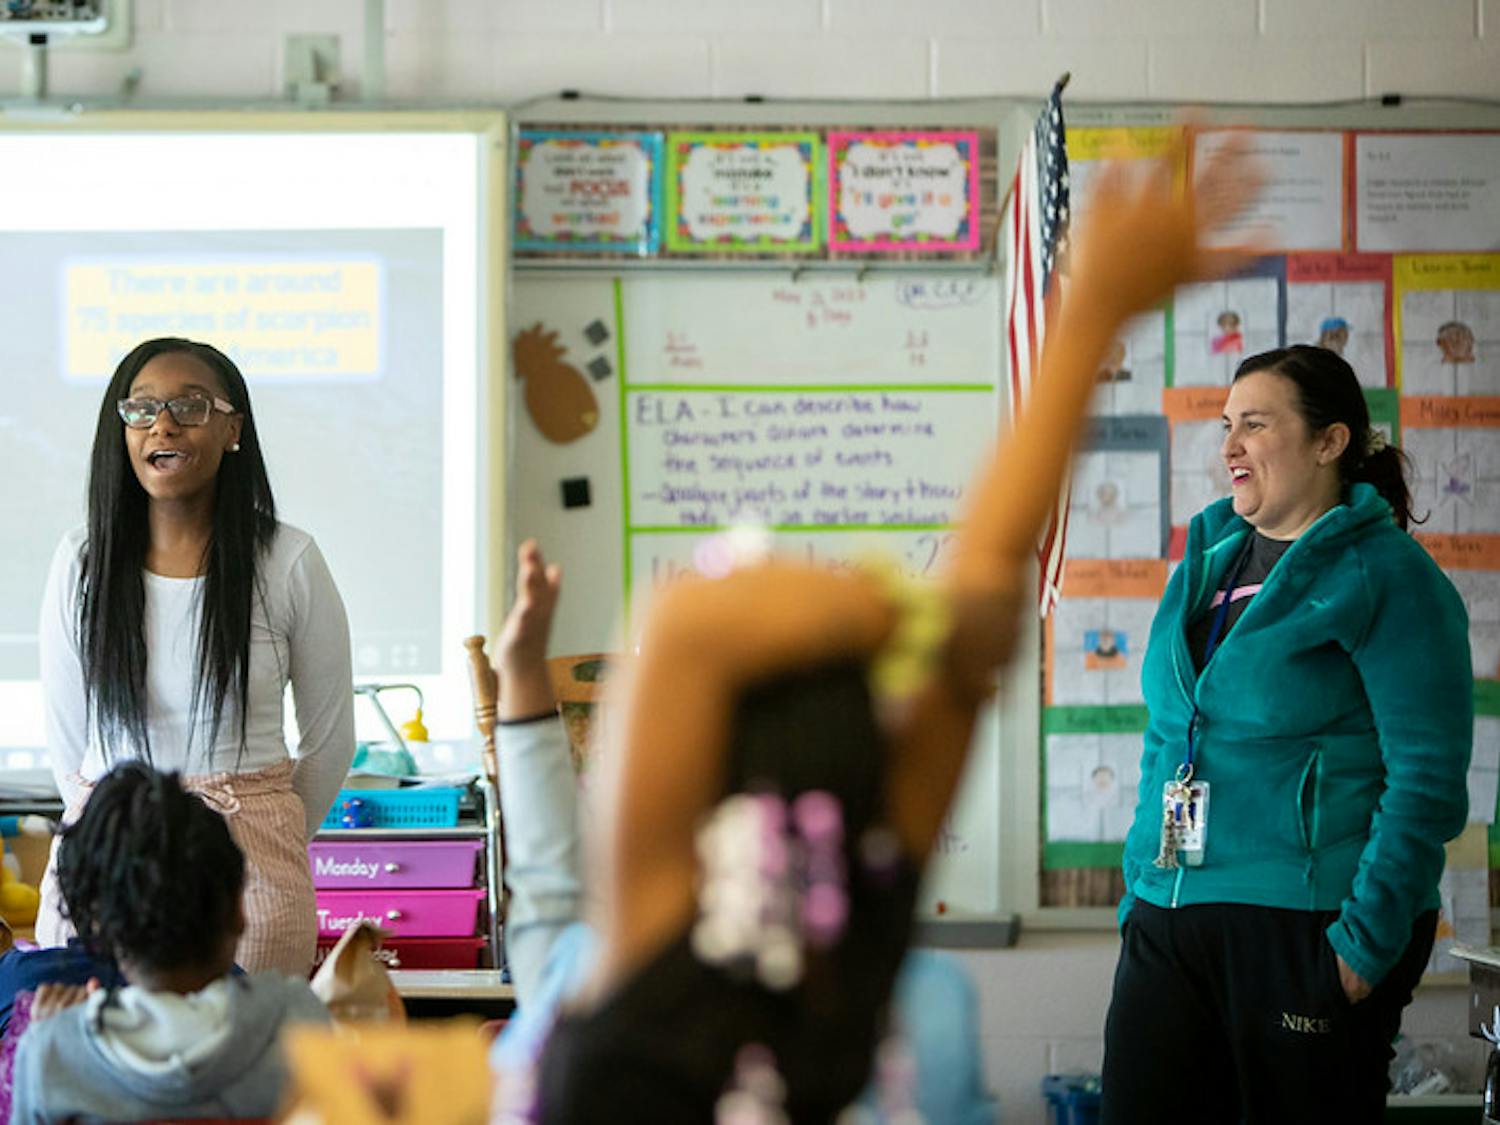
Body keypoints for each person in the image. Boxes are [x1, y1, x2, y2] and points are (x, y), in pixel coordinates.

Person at [524, 133, 1269, 1121]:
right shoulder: (861, 937)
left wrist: (874, 605)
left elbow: (685, 623)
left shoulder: (646, 930)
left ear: (697, 773)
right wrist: (1093, 309)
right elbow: (985, 583)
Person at [486, 541, 998, 1123]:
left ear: (685, 799)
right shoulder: (927, 1004)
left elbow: (547, 894)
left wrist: (522, 671)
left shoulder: (610, 970)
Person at [1103, 344, 1473, 1125]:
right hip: (1169, 913)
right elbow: (1167, 734)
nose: (1230, 446)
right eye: (1227, 425)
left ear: (1329, 441)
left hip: (1304, 924)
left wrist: (1360, 947)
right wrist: (1139, 887)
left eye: (1256, 424)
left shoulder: (1386, 574)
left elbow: (1427, 781)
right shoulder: (1206, 558)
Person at [37, 337, 356, 975]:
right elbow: (69, 748)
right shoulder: (82, 561)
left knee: (249, 1039)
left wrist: (267, 831)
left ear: (233, 429)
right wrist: (120, 829)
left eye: (190, 406)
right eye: (141, 409)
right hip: (107, 860)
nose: (163, 424)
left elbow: (330, 744)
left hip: (251, 868)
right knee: (88, 1036)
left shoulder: (288, 560)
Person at [9, 763, 330, 1124]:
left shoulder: (50, 1053)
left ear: (103, 932)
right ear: (239, 912)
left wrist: (54, 1038)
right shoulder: (299, 1020)